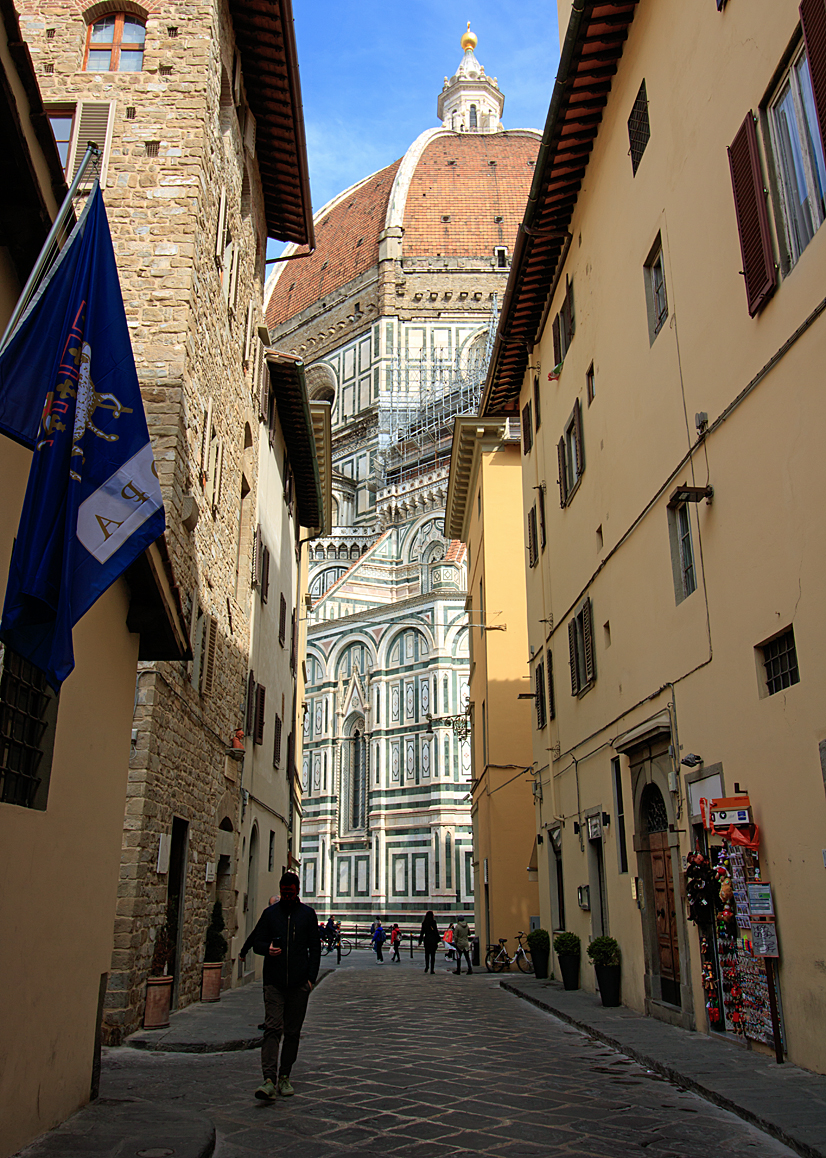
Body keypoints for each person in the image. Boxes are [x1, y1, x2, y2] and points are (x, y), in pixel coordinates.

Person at [240, 872, 320, 1100]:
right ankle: (268, 1079)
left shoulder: (307, 915)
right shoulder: (270, 914)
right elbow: (258, 941)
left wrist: (310, 979)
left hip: (298, 984)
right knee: (273, 1029)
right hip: (274, 983)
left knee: (292, 1033)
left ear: (297, 891)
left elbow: (315, 948)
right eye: (283, 892)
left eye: (290, 893)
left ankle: (285, 1076)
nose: (286, 896)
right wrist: (266, 949)